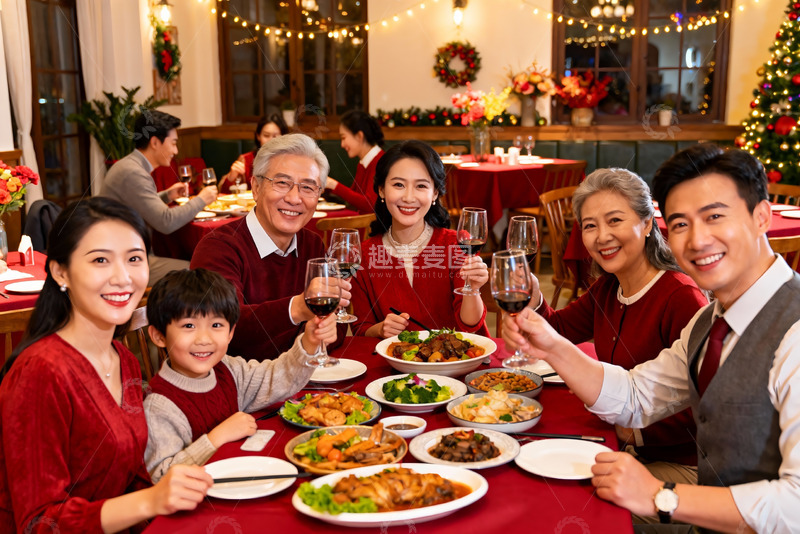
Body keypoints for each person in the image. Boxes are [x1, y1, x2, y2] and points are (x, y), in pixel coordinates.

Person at [503, 144, 800, 533]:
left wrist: (662, 494)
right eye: (680, 224)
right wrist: (552, 345)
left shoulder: (792, 331)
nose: (696, 240)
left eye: (713, 216)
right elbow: (634, 397)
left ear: (761, 217)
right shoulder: (710, 323)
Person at [0, 197, 211, 533]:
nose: (122, 277)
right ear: (60, 272)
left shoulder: (124, 358)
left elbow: (131, 475)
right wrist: (150, 501)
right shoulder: (40, 372)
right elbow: (38, 523)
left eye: (134, 259)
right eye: (100, 260)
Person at [529, 168, 707, 484]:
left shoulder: (681, 297)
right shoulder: (609, 287)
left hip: (680, 465)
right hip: (624, 447)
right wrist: (533, 295)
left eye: (614, 221)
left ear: (648, 222)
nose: (602, 236)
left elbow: (706, 407)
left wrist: (634, 432)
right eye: (590, 226)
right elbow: (558, 329)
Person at [143, 268, 336, 482]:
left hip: (236, 481)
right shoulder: (160, 404)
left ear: (230, 333)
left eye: (216, 325)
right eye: (189, 326)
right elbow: (160, 478)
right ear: (159, 336)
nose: (204, 339)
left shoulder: (227, 368)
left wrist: (309, 343)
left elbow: (275, 379)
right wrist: (215, 439)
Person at [191, 133, 351, 359]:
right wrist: (297, 308)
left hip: (300, 380)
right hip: (235, 385)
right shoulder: (218, 247)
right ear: (255, 187)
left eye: (308, 187)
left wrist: (327, 329)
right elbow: (218, 327)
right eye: (282, 183)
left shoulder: (312, 244)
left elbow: (336, 324)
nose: (295, 199)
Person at [351, 140, 489, 338]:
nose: (408, 197)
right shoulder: (362, 255)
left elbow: (470, 324)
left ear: (434, 193)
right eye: (398, 184)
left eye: (421, 186)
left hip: (455, 363)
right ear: (381, 189)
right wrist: (380, 329)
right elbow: (361, 329)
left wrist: (473, 290)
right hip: (395, 365)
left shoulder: (456, 244)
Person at [100, 109, 218, 284]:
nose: (176, 151)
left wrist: (167, 195)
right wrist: (202, 199)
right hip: (122, 260)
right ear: (155, 142)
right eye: (173, 143)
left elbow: (137, 204)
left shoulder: (129, 165)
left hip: (125, 252)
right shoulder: (133, 173)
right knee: (200, 273)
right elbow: (166, 222)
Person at [324, 110, 385, 213]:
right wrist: (328, 186)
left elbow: (370, 205)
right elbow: (353, 198)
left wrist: (334, 185)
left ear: (359, 136)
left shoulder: (380, 161)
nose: (342, 144)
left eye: (344, 137)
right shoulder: (364, 163)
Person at [218, 114, 289, 194]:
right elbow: (227, 195)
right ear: (258, 136)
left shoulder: (290, 160)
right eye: (266, 135)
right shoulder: (246, 160)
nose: (270, 141)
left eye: (275, 136)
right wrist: (231, 178)